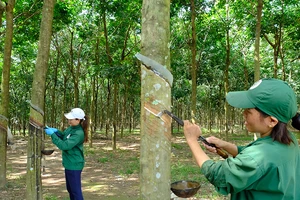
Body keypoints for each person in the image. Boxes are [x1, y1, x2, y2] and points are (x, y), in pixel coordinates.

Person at [183, 78, 300, 200]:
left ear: (271, 121)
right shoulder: (289, 140)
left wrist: (191, 140)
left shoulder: (259, 157)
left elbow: (218, 176)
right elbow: (253, 157)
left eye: (248, 111)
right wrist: (224, 145)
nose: (243, 113)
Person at [45, 108, 89, 200]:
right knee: (71, 189)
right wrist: (56, 131)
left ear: (78, 120)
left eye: (71, 119)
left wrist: (52, 135)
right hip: (69, 163)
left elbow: (64, 146)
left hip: (74, 164)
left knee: (76, 192)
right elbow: (64, 135)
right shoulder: (72, 128)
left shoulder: (78, 133)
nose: (69, 120)